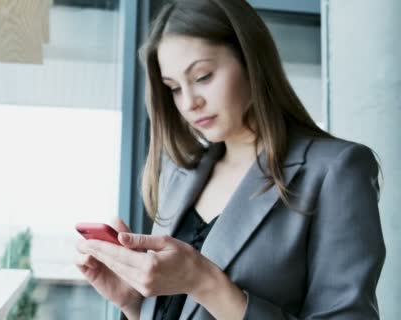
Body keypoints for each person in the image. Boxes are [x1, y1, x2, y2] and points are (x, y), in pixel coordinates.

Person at [75, 0, 386, 319]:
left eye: (203, 76)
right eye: (174, 88)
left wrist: (204, 282)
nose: (189, 103)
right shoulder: (180, 174)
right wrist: (134, 304)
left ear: (252, 61)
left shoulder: (336, 169)